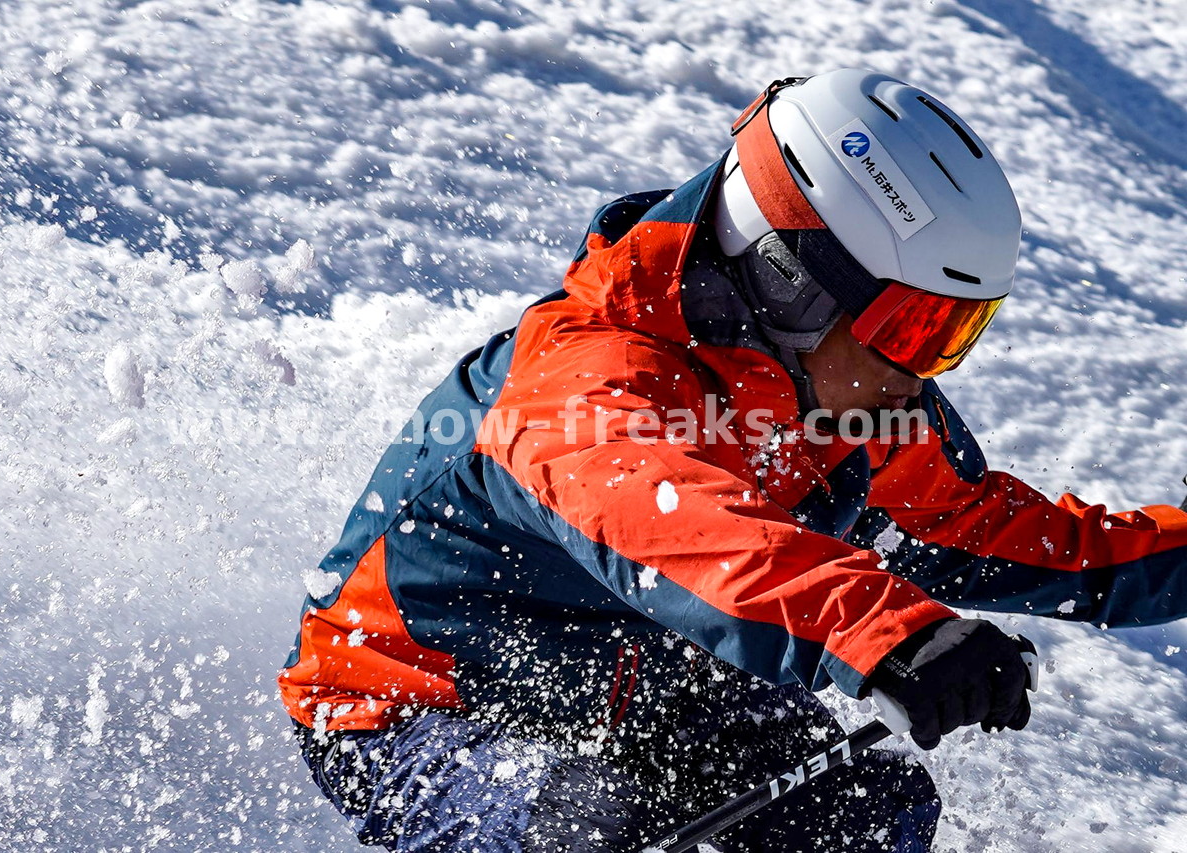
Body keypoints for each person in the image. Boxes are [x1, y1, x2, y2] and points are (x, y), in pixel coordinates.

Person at [277, 69, 1187, 851]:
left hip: (652, 680)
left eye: (952, 333)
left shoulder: (855, 407)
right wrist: (891, 632)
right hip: (412, 704)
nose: (923, 371)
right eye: (909, 326)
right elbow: (691, 534)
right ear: (790, 276)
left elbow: (1000, 534)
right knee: (579, 827)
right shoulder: (585, 380)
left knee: (862, 815)